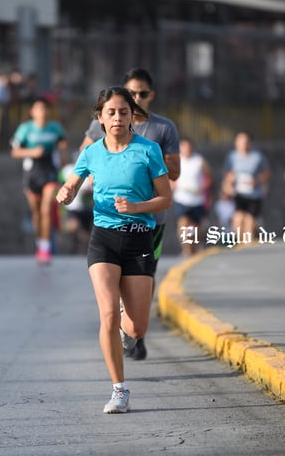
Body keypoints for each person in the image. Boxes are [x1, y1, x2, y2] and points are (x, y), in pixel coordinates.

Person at [57, 86, 172, 414]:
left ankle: (125, 322)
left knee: (136, 329)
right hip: (104, 240)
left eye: (124, 111)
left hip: (139, 239)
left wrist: (137, 207)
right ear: (100, 118)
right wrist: (65, 194)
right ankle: (119, 390)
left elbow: (165, 198)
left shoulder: (148, 150)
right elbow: (71, 184)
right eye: (111, 112)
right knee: (107, 314)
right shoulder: (92, 152)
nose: (118, 117)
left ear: (132, 116)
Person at [80, 67, 180, 361]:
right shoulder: (104, 122)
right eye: (132, 93)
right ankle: (124, 327)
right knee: (112, 285)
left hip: (150, 221)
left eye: (143, 94)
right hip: (110, 221)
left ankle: (136, 333)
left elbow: (174, 172)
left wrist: (145, 164)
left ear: (150, 96)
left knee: (145, 278)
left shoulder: (162, 130)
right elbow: (85, 158)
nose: (138, 99)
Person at [10, 96, 68, 265]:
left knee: (46, 209)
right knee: (36, 213)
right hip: (32, 172)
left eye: (45, 109)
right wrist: (32, 152)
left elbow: (63, 143)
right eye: (38, 109)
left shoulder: (55, 128)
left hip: (49, 170)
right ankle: (39, 241)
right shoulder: (25, 129)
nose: (42, 112)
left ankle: (45, 247)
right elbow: (14, 152)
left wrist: (63, 155)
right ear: (32, 112)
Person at [222, 131, 271, 236]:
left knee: (250, 222)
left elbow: (267, 173)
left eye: (246, 142)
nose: (243, 144)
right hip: (238, 194)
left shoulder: (257, 156)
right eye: (240, 141)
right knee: (238, 220)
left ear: (250, 143)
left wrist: (256, 180)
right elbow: (227, 175)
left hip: (254, 195)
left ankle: (249, 245)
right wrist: (228, 184)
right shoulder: (232, 157)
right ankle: (240, 247)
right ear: (236, 143)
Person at [172, 137, 212, 256]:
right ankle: (186, 248)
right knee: (183, 223)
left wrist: (203, 188)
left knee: (195, 227)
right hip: (182, 199)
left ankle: (195, 245)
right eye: (183, 147)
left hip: (197, 200)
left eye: (188, 147)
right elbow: (169, 178)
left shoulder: (199, 161)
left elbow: (209, 178)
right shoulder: (176, 161)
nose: (186, 150)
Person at [58, 153, 93, 254]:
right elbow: (60, 183)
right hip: (72, 207)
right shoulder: (67, 170)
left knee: (86, 233)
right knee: (74, 225)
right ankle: (72, 246)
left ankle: (84, 249)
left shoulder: (90, 170)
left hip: (86, 207)